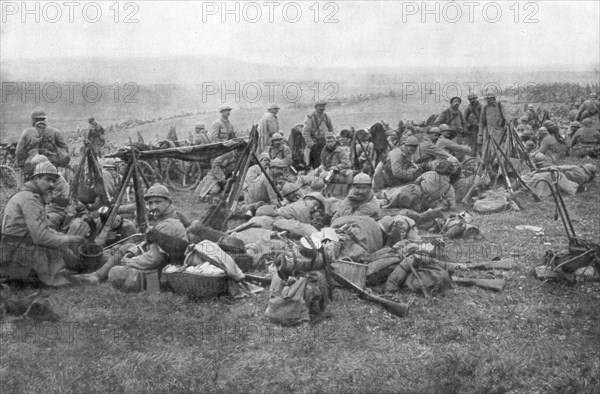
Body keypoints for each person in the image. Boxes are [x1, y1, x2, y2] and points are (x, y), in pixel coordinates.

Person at [74, 184, 187, 286]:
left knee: (115, 272)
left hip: (161, 273)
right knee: (125, 248)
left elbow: (154, 259)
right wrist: (132, 250)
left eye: (158, 202)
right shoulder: (165, 219)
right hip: (160, 263)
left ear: (168, 203)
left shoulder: (168, 224)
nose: (153, 207)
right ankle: (97, 275)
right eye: (151, 203)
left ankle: (99, 275)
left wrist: (128, 261)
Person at [1, 162, 85, 286]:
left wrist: (64, 238)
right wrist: (68, 240)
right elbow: (40, 237)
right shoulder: (29, 199)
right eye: (48, 179)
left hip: (17, 248)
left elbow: (45, 228)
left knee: (63, 251)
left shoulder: (29, 196)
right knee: (60, 255)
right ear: (37, 178)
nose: (52, 185)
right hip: (16, 253)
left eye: (53, 181)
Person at [318, 131, 352, 197]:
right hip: (327, 169)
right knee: (316, 173)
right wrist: (321, 167)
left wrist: (336, 167)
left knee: (327, 177)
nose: (330, 144)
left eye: (332, 141)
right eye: (328, 142)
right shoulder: (324, 151)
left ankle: (324, 190)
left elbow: (347, 164)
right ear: (325, 142)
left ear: (335, 141)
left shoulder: (340, 150)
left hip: (336, 170)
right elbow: (322, 162)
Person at [302, 100, 334, 169]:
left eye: (323, 106)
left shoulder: (326, 116)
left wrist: (330, 140)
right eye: (320, 106)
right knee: (316, 164)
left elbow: (331, 129)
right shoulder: (310, 117)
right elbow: (305, 132)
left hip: (325, 142)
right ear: (316, 107)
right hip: (315, 144)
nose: (322, 108)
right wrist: (311, 144)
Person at [479, 91, 508, 158]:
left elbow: (506, 118)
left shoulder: (500, 106)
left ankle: (497, 163)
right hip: (488, 132)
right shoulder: (485, 107)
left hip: (499, 132)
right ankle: (489, 164)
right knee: (488, 149)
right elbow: (481, 121)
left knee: (498, 149)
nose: (488, 101)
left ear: (494, 98)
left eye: (490, 99)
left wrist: (506, 129)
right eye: (487, 99)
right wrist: (480, 133)